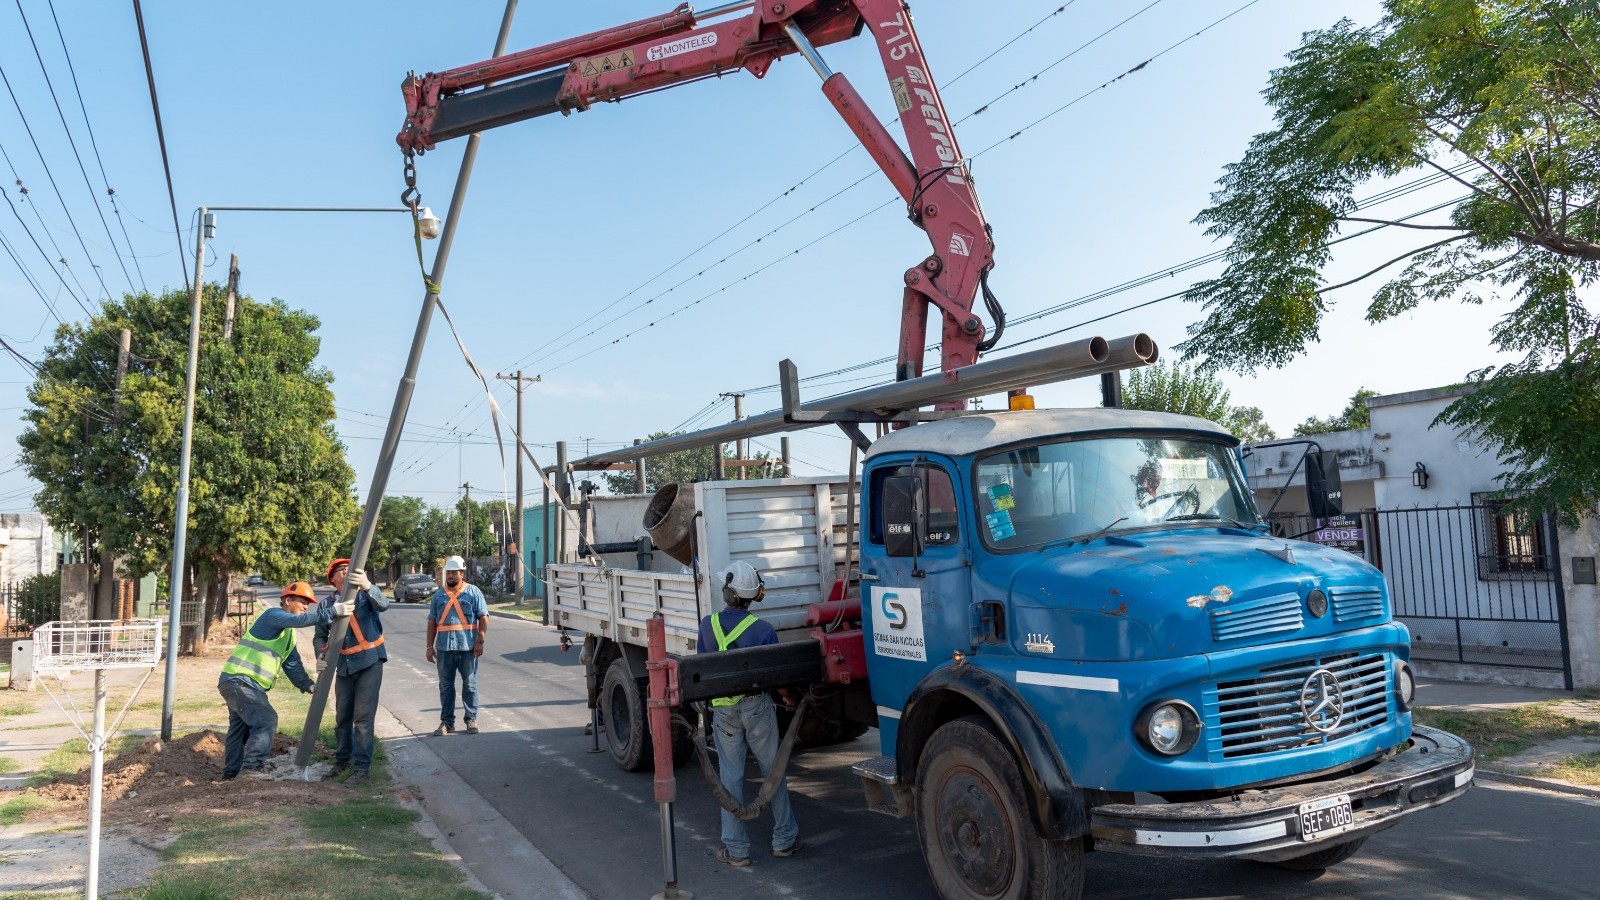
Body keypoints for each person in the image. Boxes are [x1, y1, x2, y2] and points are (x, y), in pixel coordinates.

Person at [697, 561, 802, 867]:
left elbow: (704, 667)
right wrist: (790, 698)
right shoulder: (764, 630)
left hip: (724, 711)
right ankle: (785, 839)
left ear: (728, 594)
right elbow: (778, 678)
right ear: (753, 596)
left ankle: (736, 849)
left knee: (730, 777)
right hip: (757, 708)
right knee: (774, 771)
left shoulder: (707, 625)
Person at [218, 581, 351, 780]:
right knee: (266, 719)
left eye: (308, 604)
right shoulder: (272, 615)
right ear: (288, 601)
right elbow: (302, 620)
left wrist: (308, 685)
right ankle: (252, 769)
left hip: (238, 683)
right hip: (241, 682)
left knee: (239, 730)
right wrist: (333, 611)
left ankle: (231, 775)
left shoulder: (287, 635)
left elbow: (292, 664)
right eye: (302, 602)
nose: (306, 607)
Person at [315, 557, 389, 786]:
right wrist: (321, 655)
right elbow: (320, 636)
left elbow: (383, 604)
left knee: (363, 719)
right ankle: (342, 761)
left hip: (370, 661)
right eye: (342, 570)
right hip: (344, 666)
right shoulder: (326, 605)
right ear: (333, 579)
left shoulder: (365, 596)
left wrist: (368, 585)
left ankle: (362, 770)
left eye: (350, 568)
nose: (347, 572)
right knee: (342, 718)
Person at [426, 555, 488, 736]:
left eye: (454, 572)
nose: (450, 576)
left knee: (469, 685)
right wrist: (429, 647)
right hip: (444, 649)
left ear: (462, 574)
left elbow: (483, 617)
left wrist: (480, 640)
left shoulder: (473, 592)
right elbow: (432, 623)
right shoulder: (438, 596)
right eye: (448, 573)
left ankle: (471, 720)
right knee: (445, 686)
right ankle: (447, 723)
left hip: (468, 648)